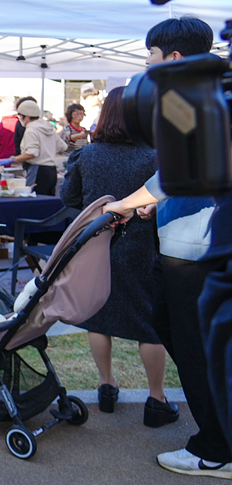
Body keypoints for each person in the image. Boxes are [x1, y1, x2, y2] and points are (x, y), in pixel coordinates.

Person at [102, 16, 232, 477]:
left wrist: (126, 203)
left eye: (151, 59)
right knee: (171, 328)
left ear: (173, 60)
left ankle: (215, 449)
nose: (146, 68)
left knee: (197, 349)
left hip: (196, 255)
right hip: (190, 245)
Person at [60, 88, 176, 423]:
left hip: (98, 244)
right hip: (143, 246)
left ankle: (106, 387)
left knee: (99, 317)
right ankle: (156, 400)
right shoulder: (155, 156)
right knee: (148, 325)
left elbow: (70, 197)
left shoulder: (89, 154)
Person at [0, 100, 65, 195]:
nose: (20, 119)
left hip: (38, 171)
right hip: (52, 171)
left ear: (26, 116)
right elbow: (62, 146)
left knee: (36, 202)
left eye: (21, 116)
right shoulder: (48, 128)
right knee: (48, 203)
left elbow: (32, 153)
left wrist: (12, 159)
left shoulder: (31, 130)